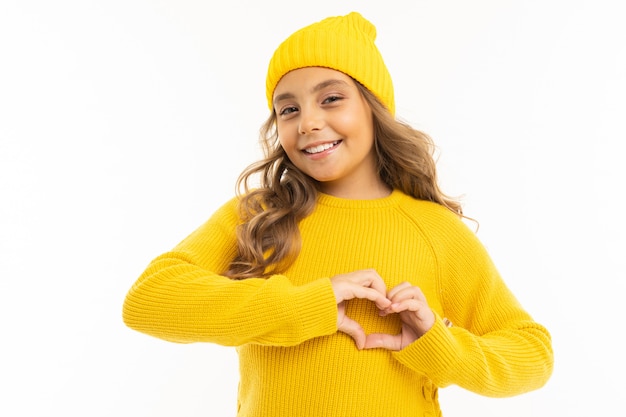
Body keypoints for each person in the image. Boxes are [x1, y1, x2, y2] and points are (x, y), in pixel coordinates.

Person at [122, 11, 553, 416]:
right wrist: (310, 304)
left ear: (373, 107)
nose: (307, 122)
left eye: (330, 98)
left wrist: (439, 346)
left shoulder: (433, 231)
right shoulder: (258, 215)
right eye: (288, 109)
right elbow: (149, 300)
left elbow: (532, 353)